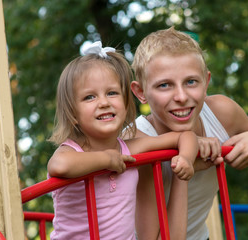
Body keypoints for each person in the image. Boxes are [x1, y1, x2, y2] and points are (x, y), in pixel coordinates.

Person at [130, 27, 248, 240]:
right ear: (140, 92)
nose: (181, 96)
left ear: (206, 82)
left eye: (191, 82)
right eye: (164, 85)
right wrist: (188, 153)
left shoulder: (221, 113)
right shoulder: (137, 140)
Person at [47, 41, 200, 240]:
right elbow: (59, 166)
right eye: (89, 97)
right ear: (72, 114)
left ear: (126, 104)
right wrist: (106, 160)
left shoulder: (129, 148)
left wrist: (186, 158)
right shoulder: (72, 151)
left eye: (112, 93)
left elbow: (184, 136)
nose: (104, 102)